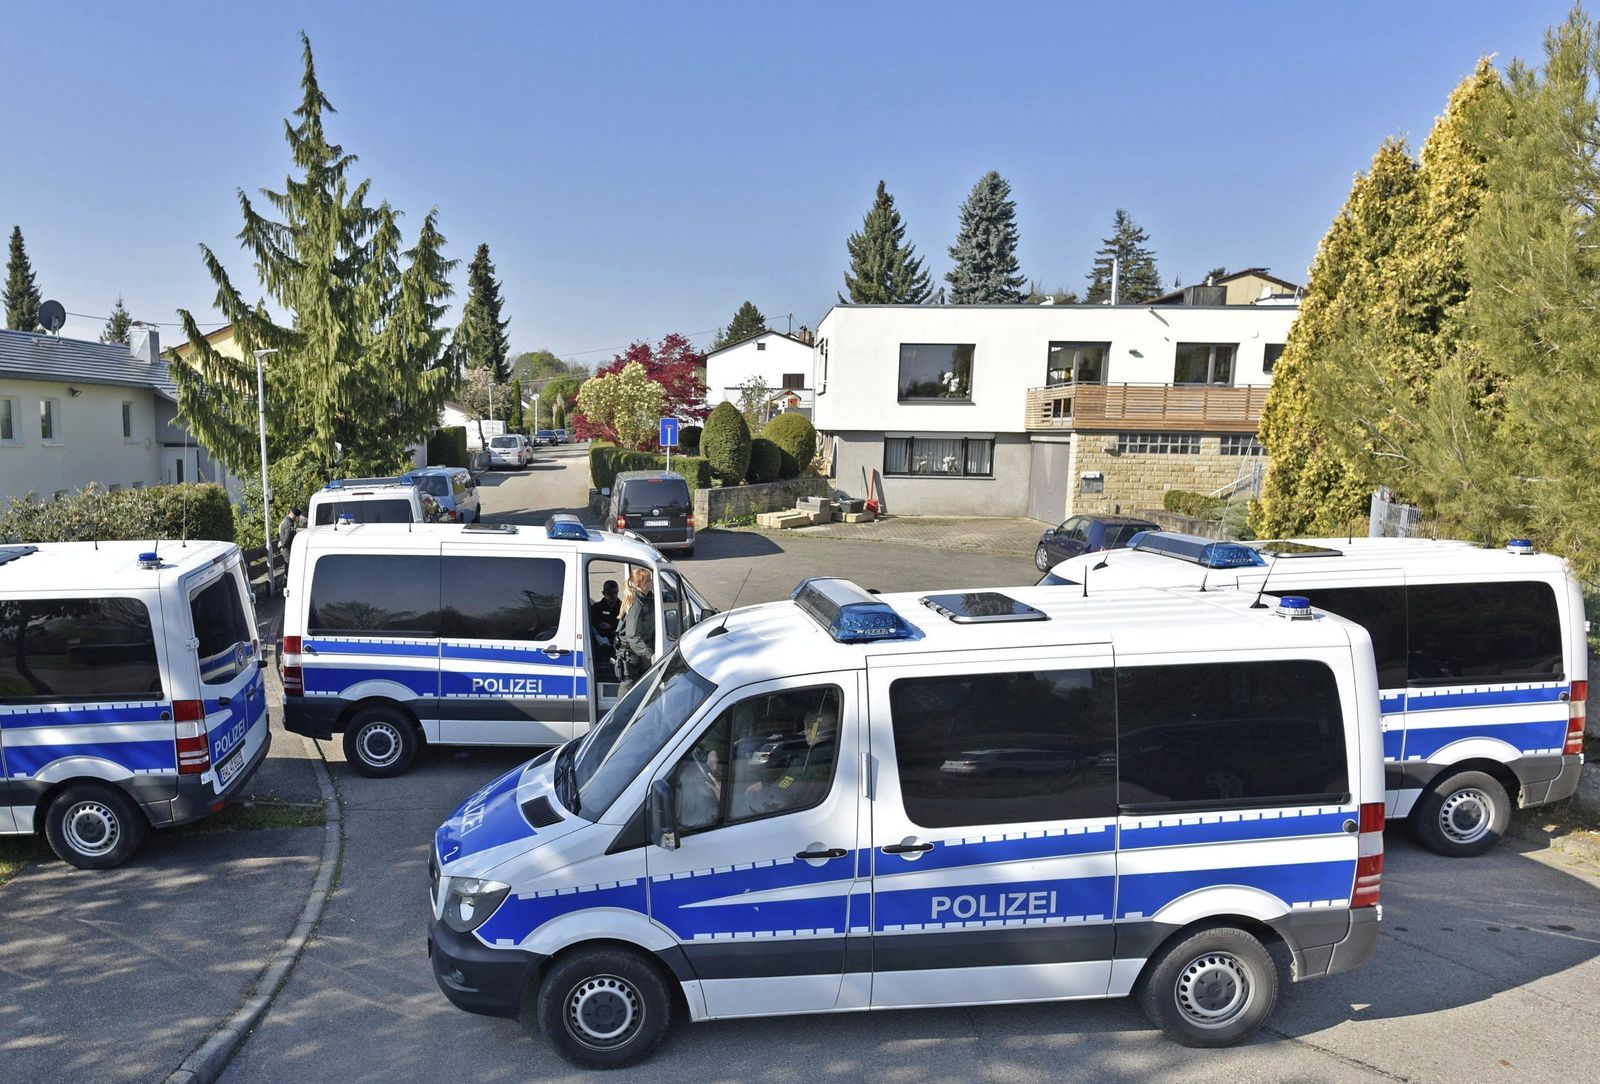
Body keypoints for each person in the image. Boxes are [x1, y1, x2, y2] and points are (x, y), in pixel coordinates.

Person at [741, 698, 839, 817]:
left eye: (807, 727)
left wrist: (746, 800)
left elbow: (778, 797)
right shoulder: (834, 752)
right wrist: (765, 784)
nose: (804, 731)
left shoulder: (806, 761)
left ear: (815, 730)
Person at [615, 566, 655, 695]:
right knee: (628, 687)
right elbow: (632, 636)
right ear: (640, 585)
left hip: (639, 650)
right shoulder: (636, 604)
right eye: (649, 581)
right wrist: (650, 655)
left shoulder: (646, 598)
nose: (652, 582)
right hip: (630, 653)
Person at [590, 579, 621, 644]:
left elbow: (626, 625)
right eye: (610, 593)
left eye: (616, 593)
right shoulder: (596, 607)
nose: (614, 596)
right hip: (602, 643)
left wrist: (610, 626)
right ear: (603, 593)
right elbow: (597, 626)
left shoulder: (623, 607)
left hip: (620, 641)